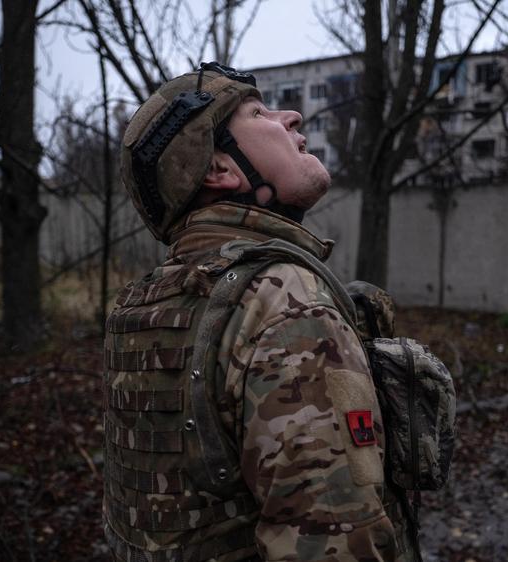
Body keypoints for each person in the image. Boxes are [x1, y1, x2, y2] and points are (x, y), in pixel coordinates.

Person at [104, 62, 414, 562]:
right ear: (218, 170)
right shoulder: (283, 300)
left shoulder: (144, 302)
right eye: (258, 112)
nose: (291, 116)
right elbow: (332, 544)